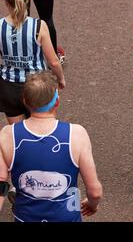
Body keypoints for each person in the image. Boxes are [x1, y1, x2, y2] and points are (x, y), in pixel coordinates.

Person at [0, 71, 103, 221]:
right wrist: (92, 205)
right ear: (57, 102)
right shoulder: (76, 134)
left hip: (25, 217)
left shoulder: (8, 135)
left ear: (24, 101)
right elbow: (95, 192)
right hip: (66, 217)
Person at [0, 0, 65, 125]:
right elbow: (53, 61)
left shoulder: (0, 27)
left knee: (18, 135)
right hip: (37, 86)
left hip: (9, 86)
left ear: (5, 1)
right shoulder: (38, 26)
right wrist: (61, 79)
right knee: (41, 131)